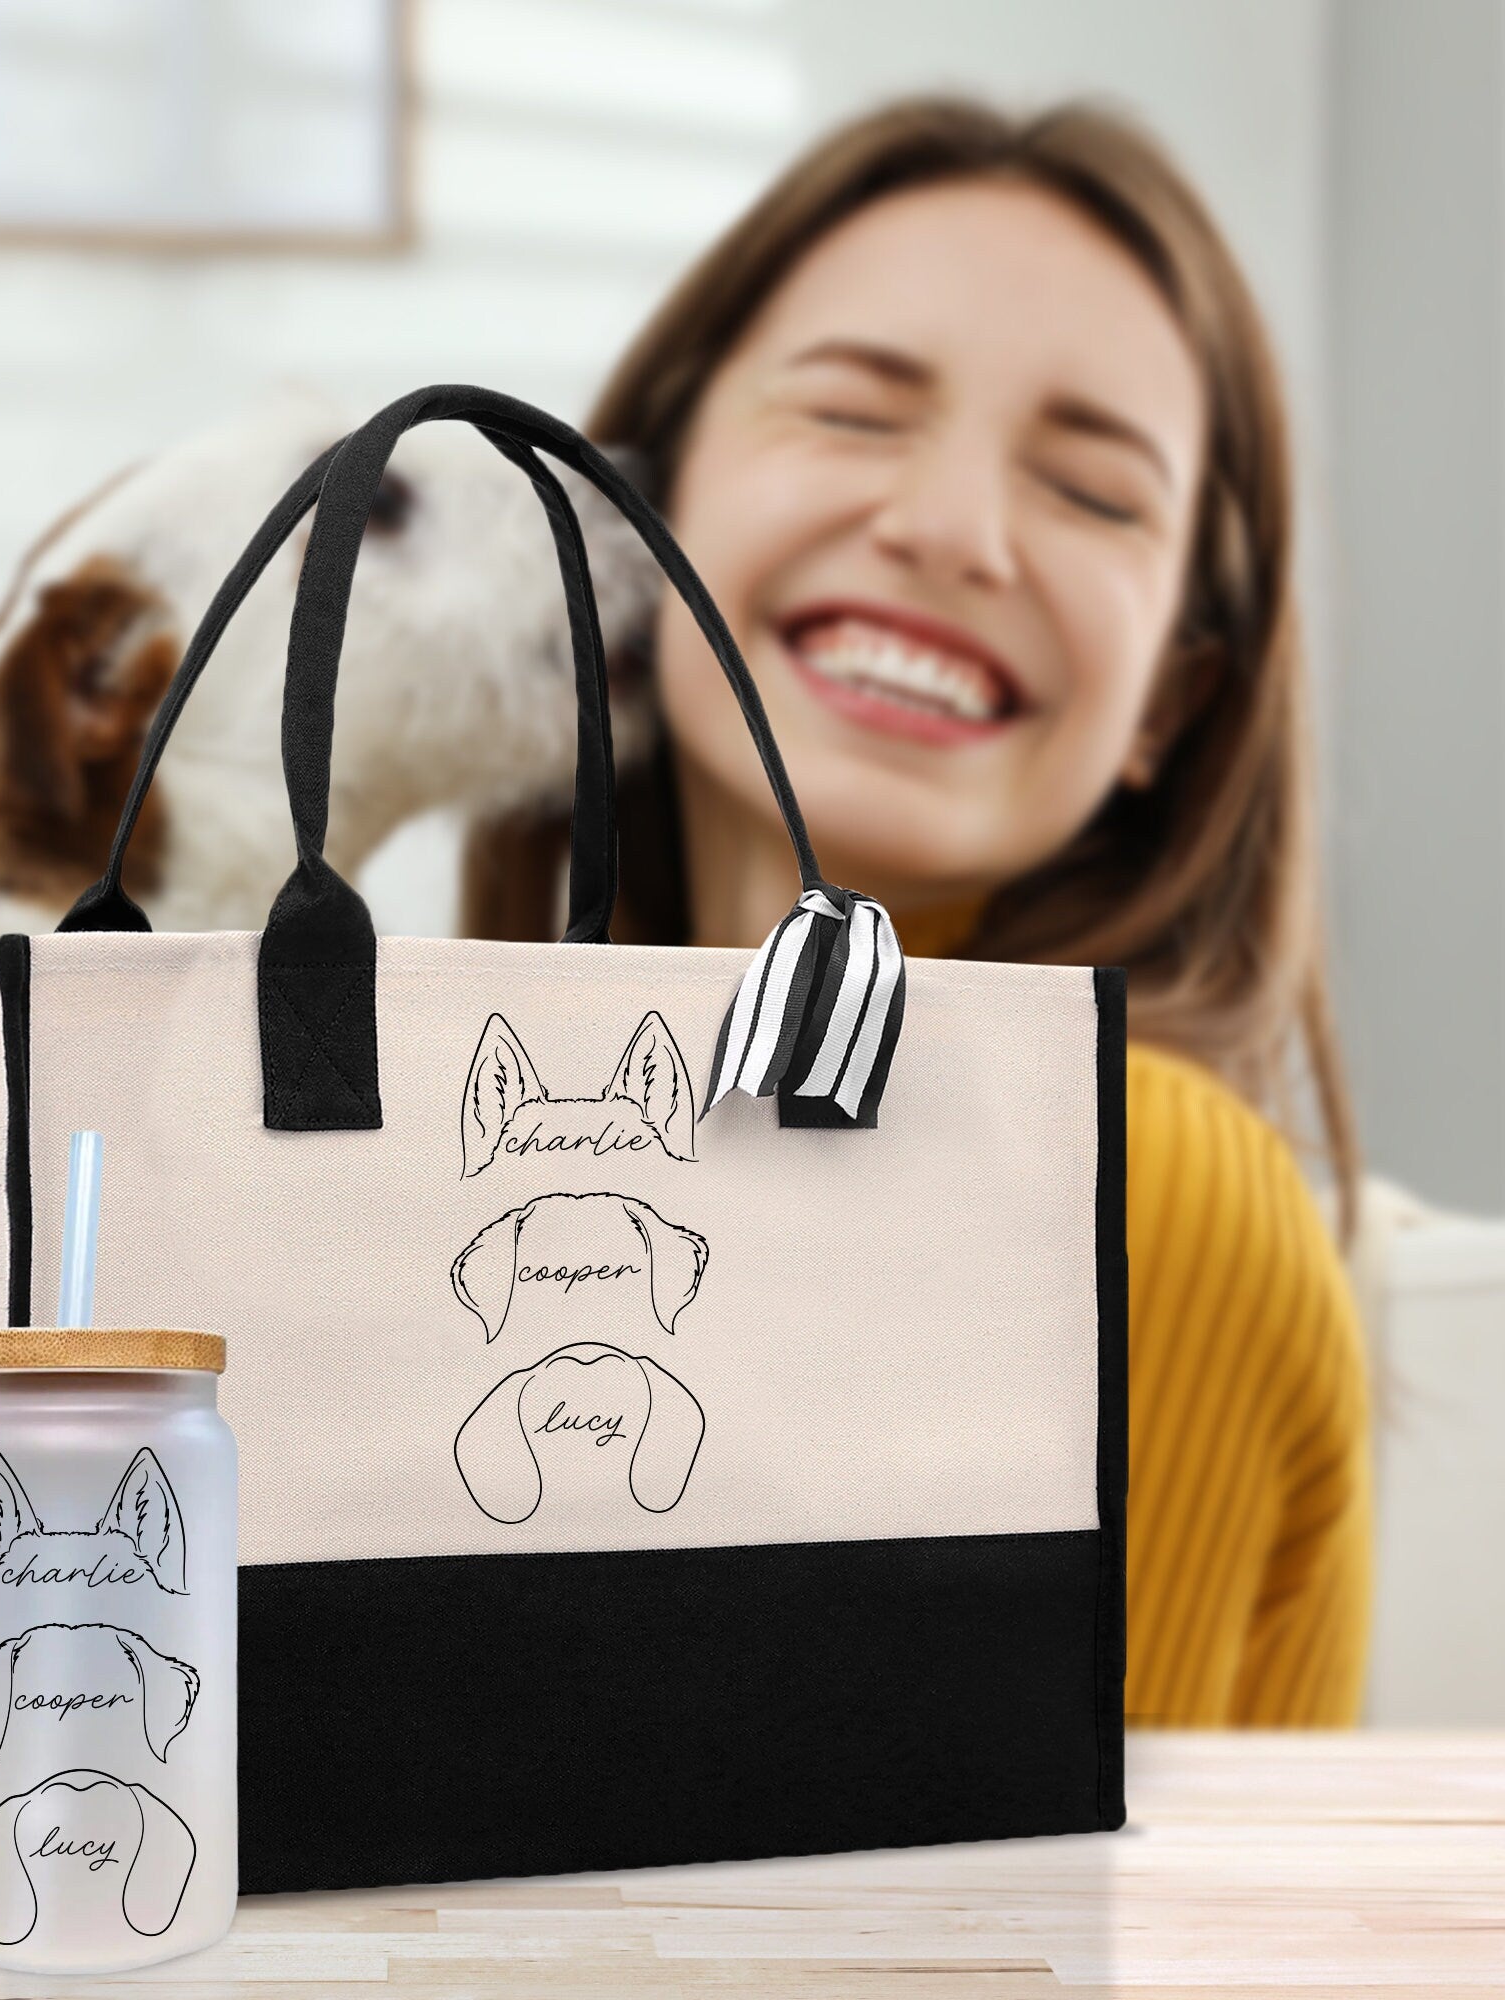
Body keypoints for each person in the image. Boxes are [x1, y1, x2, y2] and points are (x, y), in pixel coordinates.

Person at [464, 97, 1371, 1725]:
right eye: (854, 414)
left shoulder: (1123, 1174)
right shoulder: (539, 1134)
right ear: (639, 515)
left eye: (1095, 493)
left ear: (1172, 696)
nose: (951, 531)